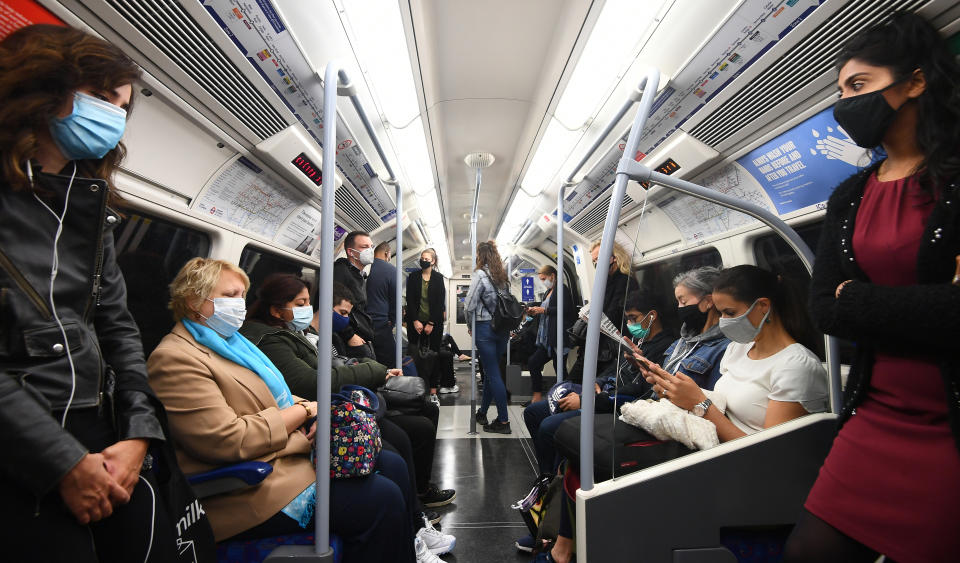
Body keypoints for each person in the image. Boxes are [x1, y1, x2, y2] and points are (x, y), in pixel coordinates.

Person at [784, 13, 960, 563]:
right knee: (808, 554)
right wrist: (926, 305)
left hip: (948, 425)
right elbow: (824, 309)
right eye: (840, 91)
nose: (845, 104)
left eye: (858, 86)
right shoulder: (851, 194)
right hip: (876, 412)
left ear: (915, 81)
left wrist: (857, 299)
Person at [0, 25, 180, 562]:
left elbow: (118, 328)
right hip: (24, 440)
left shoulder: (89, 210)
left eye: (121, 106)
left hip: (100, 428)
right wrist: (60, 462)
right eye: (101, 97)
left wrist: (138, 434)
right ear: (42, 87)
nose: (113, 116)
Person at [147, 258, 444, 562]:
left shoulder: (231, 345)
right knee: (382, 498)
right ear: (194, 300)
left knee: (388, 463)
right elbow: (228, 439)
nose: (239, 304)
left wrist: (310, 409)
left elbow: (281, 396)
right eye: (230, 296)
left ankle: (410, 544)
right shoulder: (175, 359)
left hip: (283, 458)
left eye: (241, 296)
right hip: (249, 488)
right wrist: (304, 416)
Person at [540, 265, 829, 563]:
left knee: (603, 468)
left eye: (730, 313)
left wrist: (700, 405)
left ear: (764, 307)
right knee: (584, 458)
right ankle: (568, 549)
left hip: (747, 477)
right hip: (713, 449)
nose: (723, 322)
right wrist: (671, 392)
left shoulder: (795, 366)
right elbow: (718, 405)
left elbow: (766, 458)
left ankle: (569, 550)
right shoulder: (739, 351)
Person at [241, 276, 457, 519]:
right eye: (300, 303)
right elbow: (312, 382)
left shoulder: (295, 335)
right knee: (405, 440)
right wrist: (373, 369)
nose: (306, 309)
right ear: (275, 310)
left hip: (336, 398)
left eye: (307, 302)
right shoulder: (276, 340)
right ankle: (415, 516)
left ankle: (417, 506)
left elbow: (334, 366)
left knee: (420, 420)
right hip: (321, 409)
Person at [465, 240, 512, 433]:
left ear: (480, 256)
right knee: (492, 372)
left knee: (492, 373)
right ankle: (482, 412)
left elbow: (469, 305)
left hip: (485, 328)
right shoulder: (502, 275)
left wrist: (470, 326)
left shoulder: (480, 275)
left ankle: (503, 422)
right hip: (502, 329)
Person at [660, 266, 731, 389]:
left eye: (683, 302)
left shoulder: (724, 347)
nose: (679, 307)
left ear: (708, 301)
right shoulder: (681, 342)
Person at [524, 264, 575, 404]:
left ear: (552, 276)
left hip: (558, 336)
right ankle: (538, 395)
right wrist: (536, 310)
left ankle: (565, 399)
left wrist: (543, 310)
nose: (543, 282)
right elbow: (546, 308)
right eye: (540, 279)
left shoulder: (562, 290)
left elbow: (564, 309)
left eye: (544, 278)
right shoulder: (548, 292)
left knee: (560, 370)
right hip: (547, 338)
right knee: (533, 362)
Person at [405, 248, 447, 403]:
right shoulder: (413, 277)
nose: (423, 260)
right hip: (415, 322)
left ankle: (433, 389)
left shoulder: (438, 278)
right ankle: (417, 387)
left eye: (426, 258)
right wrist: (415, 320)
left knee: (433, 356)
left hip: (433, 324)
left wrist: (430, 323)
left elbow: (438, 304)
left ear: (433, 261)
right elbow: (410, 300)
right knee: (415, 354)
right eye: (422, 257)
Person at [333, 231, 376, 358]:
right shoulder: (341, 271)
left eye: (371, 247)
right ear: (351, 252)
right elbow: (334, 308)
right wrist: (350, 336)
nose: (370, 251)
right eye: (364, 247)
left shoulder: (358, 275)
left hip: (360, 335)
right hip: (348, 340)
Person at [367, 241, 399, 367]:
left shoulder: (365, 267)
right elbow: (394, 300)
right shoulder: (391, 270)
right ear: (388, 254)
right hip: (381, 323)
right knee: (389, 362)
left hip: (362, 324)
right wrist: (392, 321)